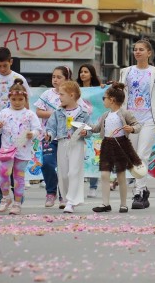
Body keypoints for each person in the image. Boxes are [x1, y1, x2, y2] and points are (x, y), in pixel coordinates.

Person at [119, 39, 155, 209]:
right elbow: (120, 93)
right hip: (131, 119)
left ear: (149, 53)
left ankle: (138, 192)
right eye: (135, 49)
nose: (137, 52)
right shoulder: (126, 72)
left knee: (142, 154)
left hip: (149, 119)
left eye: (141, 49)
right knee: (133, 156)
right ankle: (143, 189)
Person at [0, 47, 31, 208]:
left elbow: (27, 102)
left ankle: (17, 192)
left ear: (11, 62)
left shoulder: (19, 79)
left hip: (16, 127)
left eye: (5, 65)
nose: (2, 69)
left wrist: (28, 122)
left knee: (16, 160)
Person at [87, 83, 142, 213]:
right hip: (106, 145)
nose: (103, 100)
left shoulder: (125, 113)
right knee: (105, 175)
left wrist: (132, 128)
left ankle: (123, 204)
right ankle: (105, 203)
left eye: (104, 98)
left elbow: (137, 125)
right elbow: (96, 128)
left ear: (112, 100)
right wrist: (84, 126)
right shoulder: (105, 115)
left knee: (121, 175)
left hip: (121, 145)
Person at [0, 78, 41, 215]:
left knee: (19, 176)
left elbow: (38, 129)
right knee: (3, 174)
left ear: (25, 99)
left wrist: (32, 133)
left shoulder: (30, 114)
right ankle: (6, 198)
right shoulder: (3, 113)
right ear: (9, 98)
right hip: (7, 149)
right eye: (14, 99)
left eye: (20, 99)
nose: (17, 102)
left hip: (23, 150)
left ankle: (17, 203)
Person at [45, 81, 90, 213]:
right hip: (62, 143)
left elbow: (90, 129)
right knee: (63, 173)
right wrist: (49, 134)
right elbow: (51, 127)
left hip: (77, 143)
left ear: (71, 95)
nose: (59, 97)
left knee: (74, 172)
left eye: (62, 94)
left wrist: (85, 132)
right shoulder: (57, 112)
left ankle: (71, 201)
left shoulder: (83, 113)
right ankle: (65, 198)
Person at [35, 66, 75, 208]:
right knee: (47, 163)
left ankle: (64, 196)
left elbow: (79, 111)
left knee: (65, 169)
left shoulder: (72, 94)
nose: (55, 80)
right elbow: (38, 112)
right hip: (48, 136)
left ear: (67, 79)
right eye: (53, 77)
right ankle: (50, 192)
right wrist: (55, 114)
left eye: (59, 77)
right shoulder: (47, 94)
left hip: (66, 137)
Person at [76, 63, 104, 198]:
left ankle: (93, 186)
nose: (82, 74)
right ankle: (78, 185)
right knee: (78, 157)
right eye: (81, 72)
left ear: (91, 74)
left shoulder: (98, 90)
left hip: (94, 128)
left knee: (94, 157)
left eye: (86, 72)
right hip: (77, 127)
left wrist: (104, 89)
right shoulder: (74, 90)